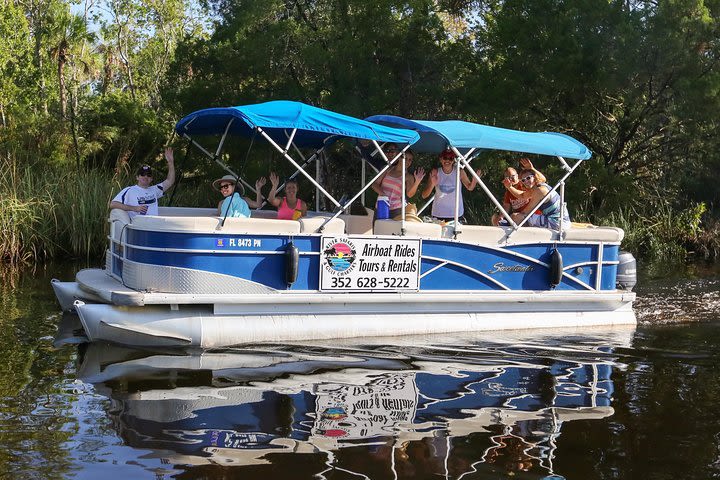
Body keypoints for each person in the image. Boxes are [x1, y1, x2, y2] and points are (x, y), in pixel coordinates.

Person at [109, 147, 175, 219]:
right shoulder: (129, 190)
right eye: (142, 174)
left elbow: (170, 181)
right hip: (139, 226)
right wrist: (134, 208)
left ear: (151, 179)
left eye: (148, 175)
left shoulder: (155, 190)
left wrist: (170, 162)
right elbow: (113, 204)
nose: (145, 176)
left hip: (155, 225)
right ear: (137, 177)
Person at [420, 148, 482, 222]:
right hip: (438, 214)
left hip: (456, 214)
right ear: (441, 159)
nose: (447, 160)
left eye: (451, 158)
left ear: (453, 160)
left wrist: (474, 181)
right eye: (445, 158)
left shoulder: (459, 171)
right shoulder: (435, 172)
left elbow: (470, 187)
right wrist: (432, 184)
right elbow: (424, 195)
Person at [502, 167, 570, 230]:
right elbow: (522, 195)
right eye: (523, 180)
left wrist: (512, 219)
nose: (526, 182)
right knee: (516, 217)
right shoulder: (537, 188)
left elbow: (525, 212)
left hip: (558, 222)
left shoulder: (540, 191)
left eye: (528, 178)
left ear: (534, 177)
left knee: (517, 217)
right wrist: (509, 187)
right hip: (558, 221)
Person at [371, 145, 425, 219]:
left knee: (392, 230)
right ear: (399, 158)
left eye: (410, 160)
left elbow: (410, 194)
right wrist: (383, 194)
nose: (407, 161)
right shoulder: (387, 169)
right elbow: (374, 184)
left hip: (395, 210)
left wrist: (417, 182)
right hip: (381, 206)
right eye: (405, 158)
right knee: (378, 229)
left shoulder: (409, 177)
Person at [492, 158, 546, 226]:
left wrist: (532, 168)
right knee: (495, 218)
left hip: (531, 216)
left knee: (515, 216)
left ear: (517, 176)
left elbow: (542, 180)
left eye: (512, 176)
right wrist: (501, 216)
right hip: (519, 218)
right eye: (507, 177)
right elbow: (507, 206)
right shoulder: (509, 192)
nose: (510, 179)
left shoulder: (525, 183)